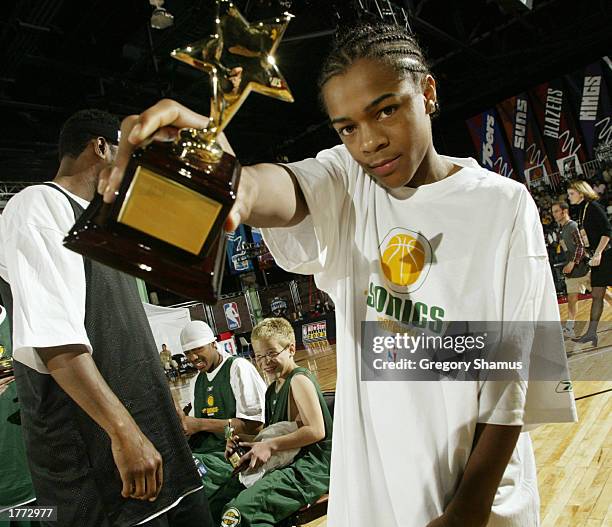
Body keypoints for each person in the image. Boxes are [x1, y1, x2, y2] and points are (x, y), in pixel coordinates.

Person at [101, 21, 577, 527]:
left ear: (428, 93)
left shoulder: (502, 205)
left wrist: (470, 507)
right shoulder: (350, 183)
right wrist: (225, 180)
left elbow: (518, 371)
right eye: (347, 127)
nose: (369, 141)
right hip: (376, 488)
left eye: (386, 109)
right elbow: (279, 189)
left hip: (477, 492)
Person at [0, 109, 211, 526]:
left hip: (150, 437)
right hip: (98, 458)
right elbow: (55, 341)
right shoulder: (37, 204)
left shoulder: (106, 227)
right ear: (101, 146)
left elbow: (125, 339)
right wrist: (123, 432)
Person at [210, 318, 332, 526]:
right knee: (214, 504)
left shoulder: (299, 380)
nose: (265, 361)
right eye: (258, 356)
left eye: (272, 353)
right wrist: (240, 441)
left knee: (236, 515)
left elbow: (316, 430)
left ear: (291, 349)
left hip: (311, 467)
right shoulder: (271, 390)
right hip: (285, 461)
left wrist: (269, 445)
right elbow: (271, 433)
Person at [178, 320, 267, 498]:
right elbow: (193, 427)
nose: (193, 357)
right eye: (188, 353)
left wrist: (200, 424)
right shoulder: (196, 382)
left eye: (198, 349)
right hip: (205, 453)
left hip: (233, 454)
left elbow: (254, 426)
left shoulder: (237, 367)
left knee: (186, 474)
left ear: (213, 344)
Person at [567, 180, 612, 346]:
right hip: (598, 257)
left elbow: (607, 231)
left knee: (598, 295)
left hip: (606, 254)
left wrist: (598, 252)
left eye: (571, 193)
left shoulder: (593, 206)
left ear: (581, 192)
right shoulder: (582, 210)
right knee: (597, 295)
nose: (569, 196)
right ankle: (592, 333)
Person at [551, 201, 590, 337]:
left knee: (603, 294)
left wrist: (573, 262)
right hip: (572, 272)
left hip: (584, 268)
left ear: (564, 211)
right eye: (553, 211)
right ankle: (570, 327)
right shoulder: (560, 230)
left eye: (556, 211)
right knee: (572, 299)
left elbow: (580, 246)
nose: (553, 214)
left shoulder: (572, 226)